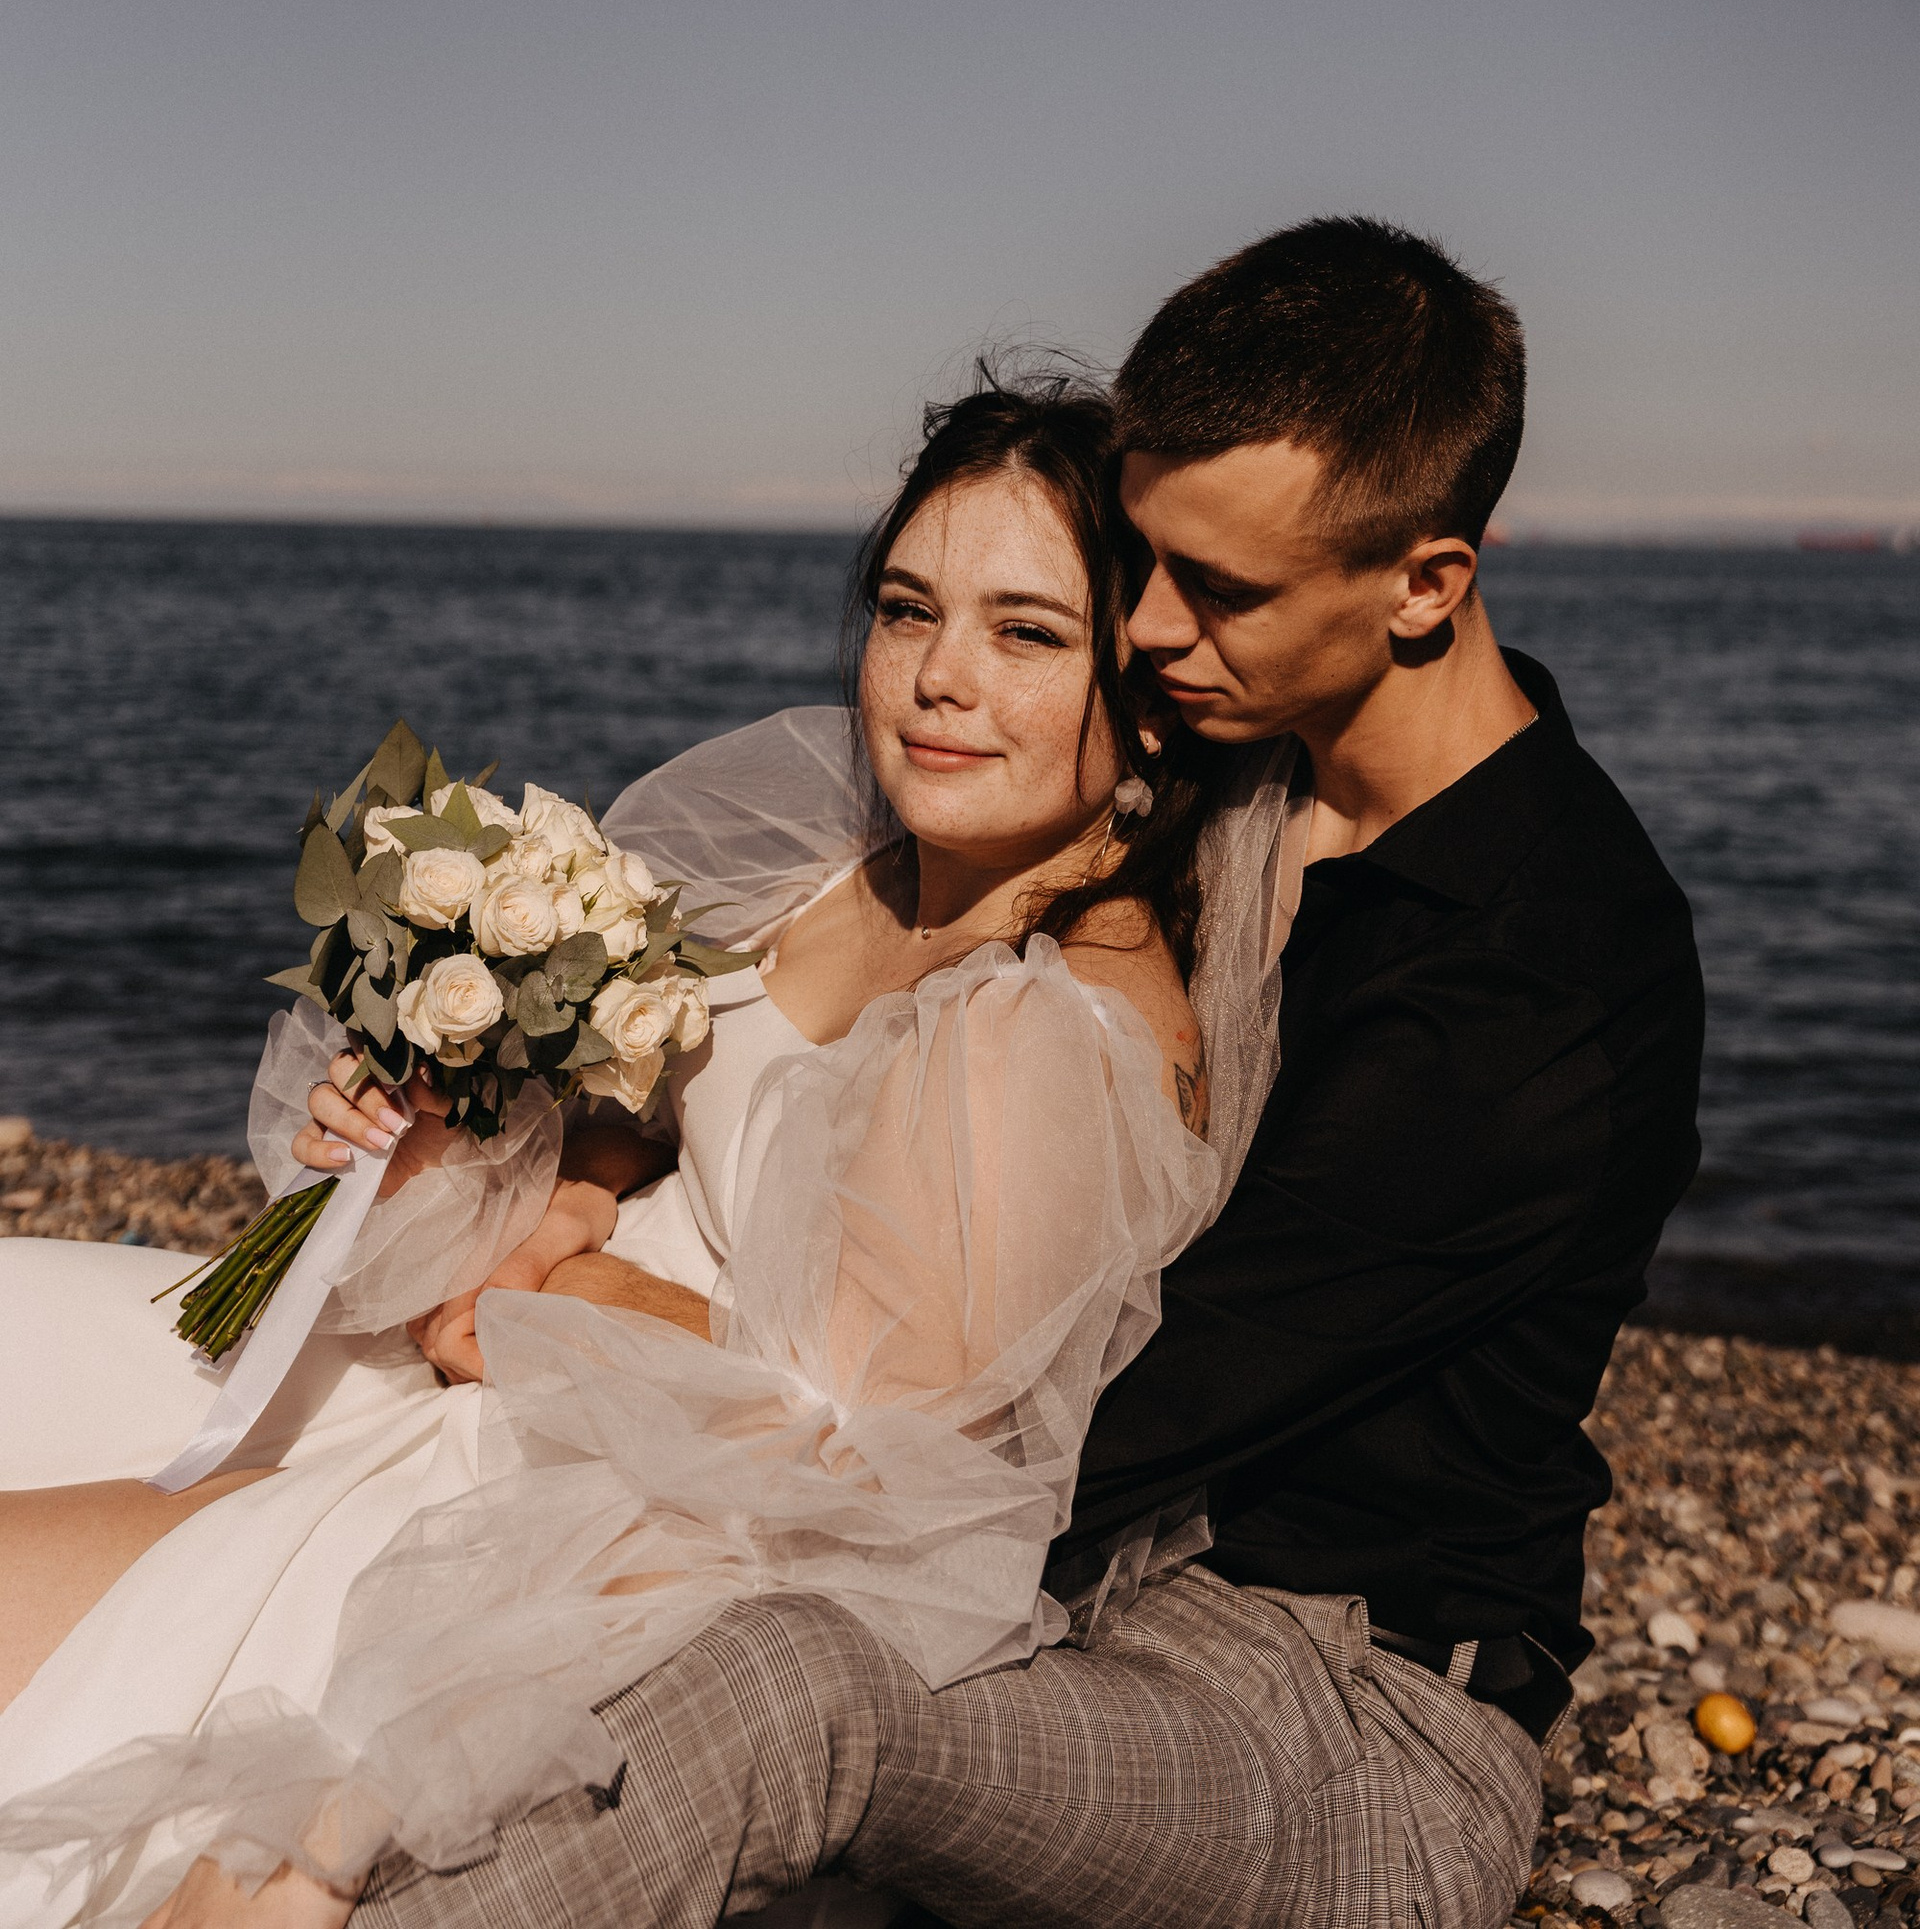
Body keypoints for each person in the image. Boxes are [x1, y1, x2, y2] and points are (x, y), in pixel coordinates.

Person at [327, 215, 1705, 1929]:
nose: (1149, 629)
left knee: (787, 1689)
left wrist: (592, 1323)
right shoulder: (1253, 771)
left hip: (1340, 1710)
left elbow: (1063, 1431)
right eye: (1146, 561)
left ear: (1426, 585)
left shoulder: (1535, 978)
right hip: (1097, 1600)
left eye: (1221, 591)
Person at [0, 376, 1303, 1929]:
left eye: (1027, 634)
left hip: (587, 1525)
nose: (938, 677)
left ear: (1146, 697)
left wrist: (540, 1306)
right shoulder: (849, 861)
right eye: (907, 610)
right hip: (487, 1389)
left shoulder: (1055, 1032)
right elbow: (662, 1099)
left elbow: (870, 1464)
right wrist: (504, 1150)